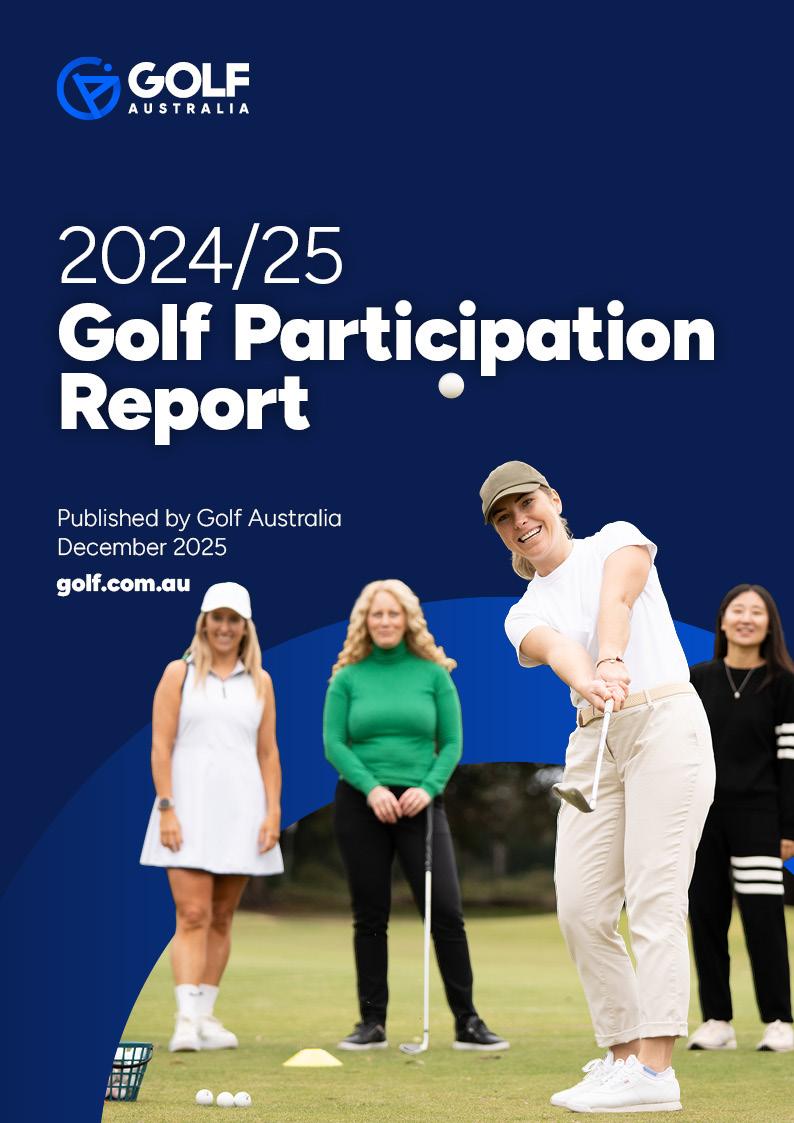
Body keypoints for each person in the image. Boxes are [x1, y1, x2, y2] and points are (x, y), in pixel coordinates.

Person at [480, 461, 715, 1113]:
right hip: (592, 740)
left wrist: (611, 657)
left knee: (654, 894)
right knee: (581, 907)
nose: (521, 521)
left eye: (527, 504)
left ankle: (656, 1072)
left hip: (664, 718)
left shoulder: (617, 537)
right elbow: (560, 649)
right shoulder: (522, 611)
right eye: (505, 518)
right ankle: (622, 1058)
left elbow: (617, 601)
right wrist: (589, 678)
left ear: (554, 500)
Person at [323, 578, 508, 1052]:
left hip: (421, 804)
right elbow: (334, 743)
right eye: (377, 614)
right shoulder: (347, 678)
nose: (385, 621)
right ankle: (372, 1023)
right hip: (361, 803)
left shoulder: (434, 675)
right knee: (370, 915)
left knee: (446, 912)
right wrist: (372, 788)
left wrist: (427, 788)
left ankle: (468, 1022)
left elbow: (452, 743)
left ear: (407, 620)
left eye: (394, 613)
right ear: (365, 622)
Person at [140, 581, 283, 1052]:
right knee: (193, 913)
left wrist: (272, 813)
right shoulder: (177, 674)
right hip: (185, 809)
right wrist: (166, 807)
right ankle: (184, 1020)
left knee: (222, 916)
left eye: (233, 620)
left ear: (245, 627)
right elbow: (161, 746)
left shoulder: (261, 682)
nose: (225, 627)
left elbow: (267, 753)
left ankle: (205, 1017)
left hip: (242, 812)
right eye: (217, 618)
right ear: (204, 623)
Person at [687, 584, 794, 1053]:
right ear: (723, 620)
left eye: (757, 612)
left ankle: (780, 1021)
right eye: (738, 610)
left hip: (760, 817)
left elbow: (790, 760)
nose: (746, 618)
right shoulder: (696, 679)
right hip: (701, 817)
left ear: (769, 625)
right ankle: (717, 1021)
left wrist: (789, 828)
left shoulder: (784, 683)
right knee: (706, 917)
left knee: (764, 920)